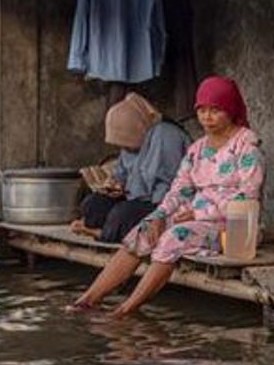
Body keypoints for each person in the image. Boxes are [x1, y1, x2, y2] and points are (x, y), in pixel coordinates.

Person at [69, 76, 264, 316]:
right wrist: (160, 215)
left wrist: (198, 212)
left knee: (173, 236)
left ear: (231, 109)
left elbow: (247, 197)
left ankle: (125, 310)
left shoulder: (246, 148)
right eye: (202, 110)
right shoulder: (197, 149)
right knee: (145, 230)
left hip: (232, 229)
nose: (207, 117)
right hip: (192, 219)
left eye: (215, 110)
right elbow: (179, 189)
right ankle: (88, 299)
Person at [71, 93, 190, 243]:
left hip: (162, 203)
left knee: (122, 214)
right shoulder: (130, 145)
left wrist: (156, 211)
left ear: (137, 128)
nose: (124, 148)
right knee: (93, 204)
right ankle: (106, 228)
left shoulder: (165, 136)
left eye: (126, 143)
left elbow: (168, 186)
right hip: (135, 198)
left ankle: (103, 233)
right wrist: (116, 185)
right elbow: (121, 173)